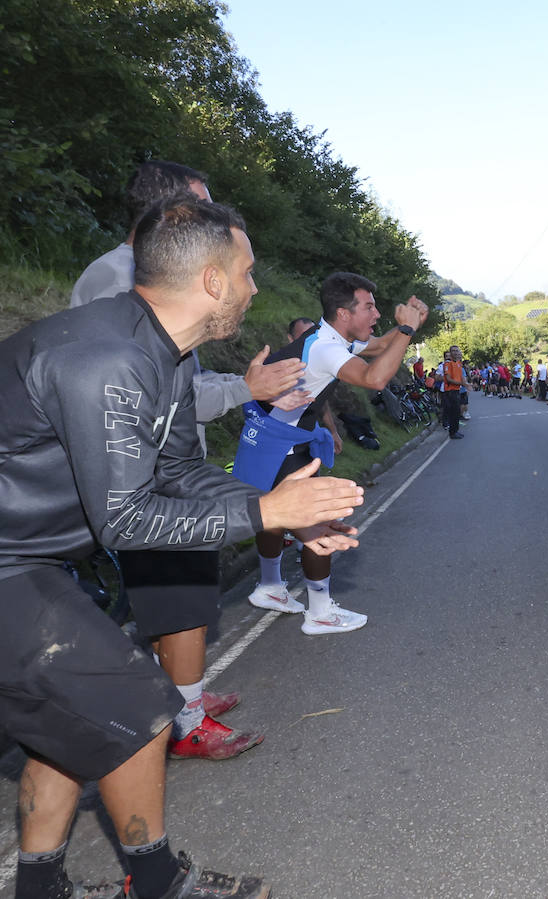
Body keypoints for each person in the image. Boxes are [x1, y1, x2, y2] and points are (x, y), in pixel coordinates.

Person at [0, 197, 362, 899]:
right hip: (9, 562)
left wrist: (282, 520)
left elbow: (177, 475)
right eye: (249, 271)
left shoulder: (164, 354)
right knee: (138, 711)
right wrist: (265, 509)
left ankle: (39, 890)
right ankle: (161, 883)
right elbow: (128, 521)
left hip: (29, 559)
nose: (257, 287)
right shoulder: (106, 358)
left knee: (73, 721)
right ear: (215, 282)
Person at [70, 160, 309, 762]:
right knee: (177, 595)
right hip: (139, 477)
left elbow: (176, 399)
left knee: (186, 594)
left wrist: (243, 391)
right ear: (174, 219)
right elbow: (135, 403)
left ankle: (182, 700)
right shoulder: (117, 282)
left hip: (167, 465)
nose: (248, 282)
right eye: (206, 205)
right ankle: (182, 721)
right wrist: (246, 395)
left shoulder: (146, 287)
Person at [237, 272, 428, 635]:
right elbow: (374, 378)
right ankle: (321, 613)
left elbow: (376, 346)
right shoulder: (326, 349)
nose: (376, 314)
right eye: (369, 307)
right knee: (318, 525)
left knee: (275, 515)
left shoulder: (328, 337)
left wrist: (411, 325)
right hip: (281, 442)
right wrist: (406, 332)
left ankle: (270, 587)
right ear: (344, 313)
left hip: (267, 436)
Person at [440, 345, 466, 439]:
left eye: (456, 350)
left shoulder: (459, 363)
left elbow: (460, 376)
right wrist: (461, 383)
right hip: (450, 391)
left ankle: (455, 430)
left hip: (457, 390)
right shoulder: (448, 364)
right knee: (453, 412)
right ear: (450, 353)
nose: (455, 352)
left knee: (457, 412)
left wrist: (464, 383)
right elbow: (448, 378)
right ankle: (452, 432)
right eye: (453, 351)